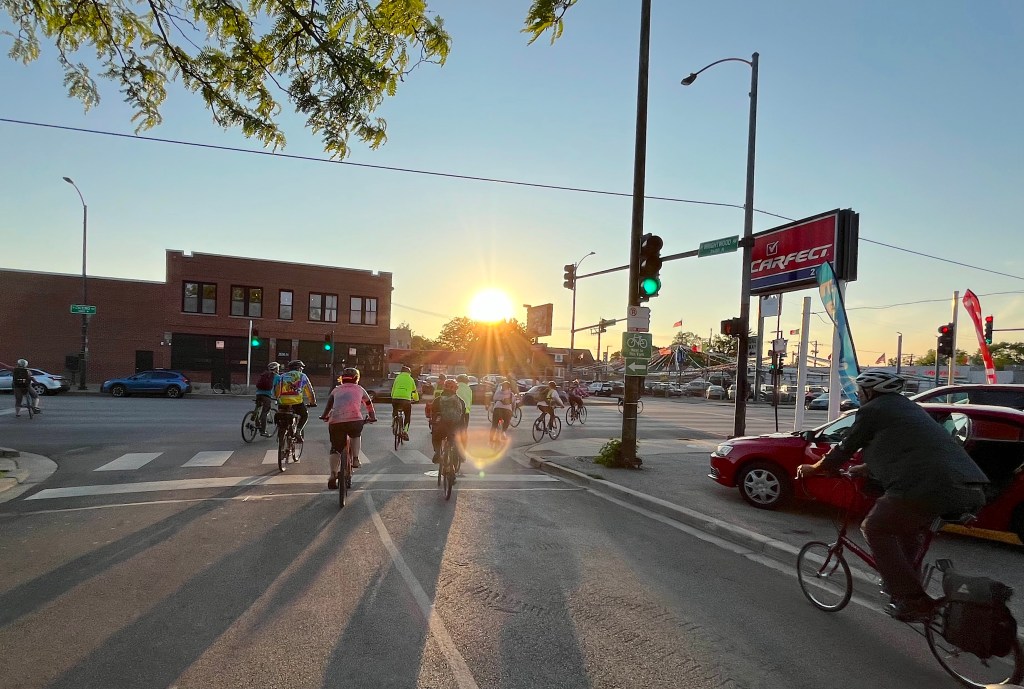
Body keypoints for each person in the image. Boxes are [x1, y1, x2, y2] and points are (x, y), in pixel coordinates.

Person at [796, 370, 989, 622]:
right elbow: (909, 448)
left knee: (875, 527)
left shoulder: (873, 410)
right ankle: (907, 587)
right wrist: (866, 467)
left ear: (870, 392)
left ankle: (912, 600)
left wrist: (814, 468)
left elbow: (844, 448)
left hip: (925, 487)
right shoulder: (908, 408)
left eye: (860, 390)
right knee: (907, 530)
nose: (857, 394)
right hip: (969, 488)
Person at [320, 367, 376, 489]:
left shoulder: (336, 390)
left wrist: (324, 416)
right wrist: (372, 417)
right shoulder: (360, 389)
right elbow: (368, 404)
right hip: (355, 420)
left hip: (336, 422)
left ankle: (333, 474)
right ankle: (355, 458)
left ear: (342, 379)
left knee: (335, 449)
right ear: (357, 378)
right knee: (355, 434)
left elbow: (329, 406)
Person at [273, 360, 317, 445]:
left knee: (281, 418)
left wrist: (279, 399)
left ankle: (281, 432)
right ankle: (298, 431)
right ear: (299, 368)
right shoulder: (302, 376)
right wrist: (312, 402)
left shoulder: (282, 376)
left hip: (282, 403)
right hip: (296, 403)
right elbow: (310, 392)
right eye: (301, 368)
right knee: (304, 415)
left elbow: (277, 390)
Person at [430, 378, 466, 467]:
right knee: (458, 440)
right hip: (455, 426)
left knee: (436, 438)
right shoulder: (460, 401)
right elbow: (463, 414)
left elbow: (433, 413)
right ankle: (460, 456)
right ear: (455, 389)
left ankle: (438, 452)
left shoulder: (437, 400)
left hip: (442, 426)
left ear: (443, 388)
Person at [390, 365, 419, 441]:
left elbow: (393, 388)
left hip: (395, 398)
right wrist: (416, 399)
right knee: (407, 415)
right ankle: (405, 431)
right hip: (406, 400)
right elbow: (414, 392)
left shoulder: (398, 378)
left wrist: (392, 397)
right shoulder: (411, 379)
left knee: (395, 410)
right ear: (409, 372)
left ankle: (394, 421)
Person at [254, 362, 280, 436]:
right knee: (265, 412)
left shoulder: (264, 374)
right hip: (267, 395)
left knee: (257, 407)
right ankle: (263, 431)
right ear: (276, 369)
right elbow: (276, 389)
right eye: (278, 368)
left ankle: (256, 420)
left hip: (258, 394)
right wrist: (277, 398)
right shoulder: (277, 377)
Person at [490, 379, 517, 444]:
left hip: (497, 409)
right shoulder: (511, 394)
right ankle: (503, 432)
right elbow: (514, 404)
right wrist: (512, 412)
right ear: (509, 387)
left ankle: (491, 439)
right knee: (507, 422)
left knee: (494, 425)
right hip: (507, 411)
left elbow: (494, 399)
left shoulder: (498, 392)